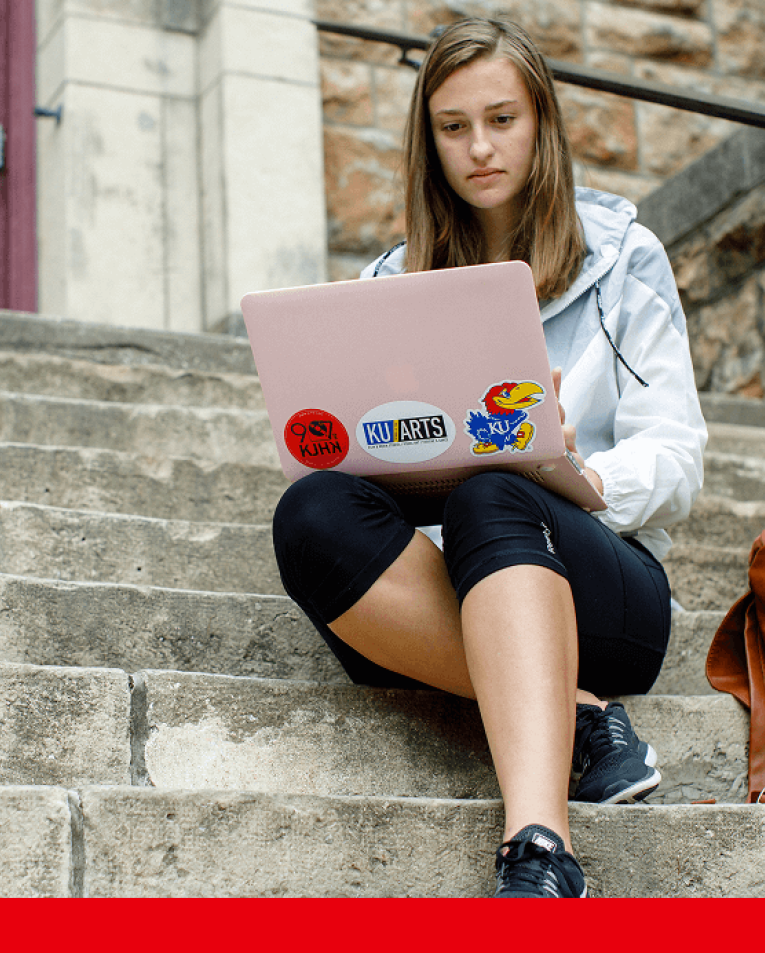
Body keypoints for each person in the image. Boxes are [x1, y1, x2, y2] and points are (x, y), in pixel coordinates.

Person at [272, 17, 706, 898]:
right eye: (454, 126)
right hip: (455, 588)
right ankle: (579, 716)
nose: (479, 147)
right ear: (427, 142)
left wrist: (586, 482)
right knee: (312, 509)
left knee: (497, 490)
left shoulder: (624, 258)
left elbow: (679, 455)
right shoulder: (387, 287)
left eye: (502, 120)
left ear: (541, 122)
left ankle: (541, 846)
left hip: (605, 589)